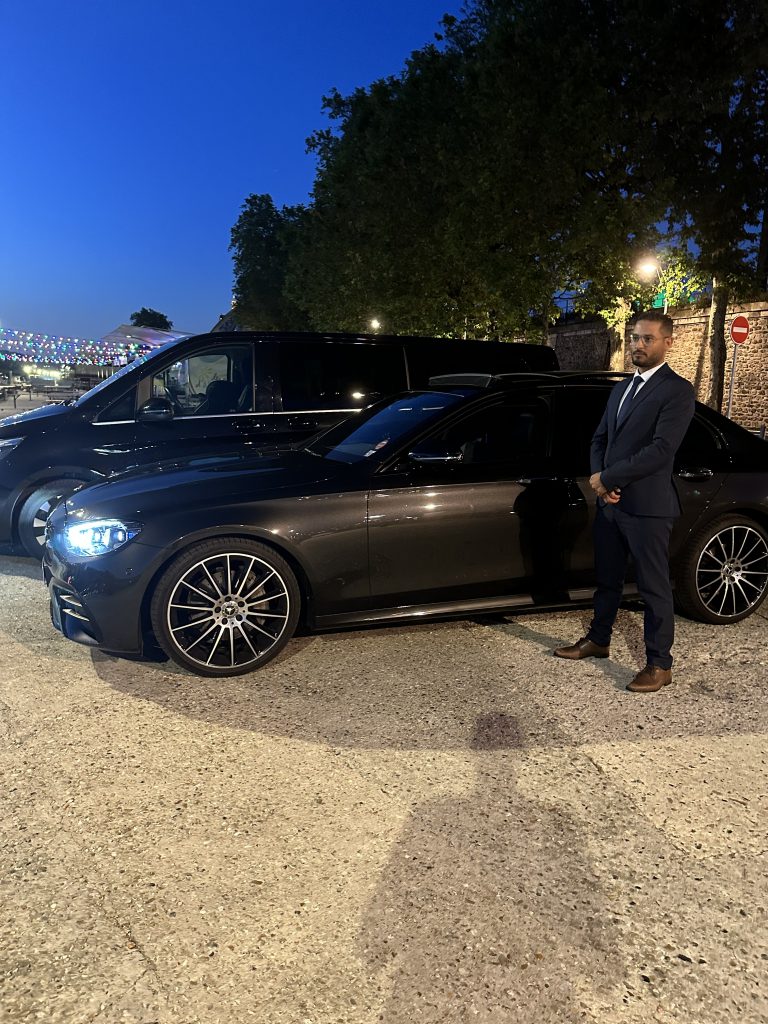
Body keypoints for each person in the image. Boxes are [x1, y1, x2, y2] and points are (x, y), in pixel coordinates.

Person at [554, 310, 695, 692]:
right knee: (607, 580)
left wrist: (609, 479)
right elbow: (600, 439)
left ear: (668, 342)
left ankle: (660, 665)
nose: (638, 344)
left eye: (648, 338)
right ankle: (599, 640)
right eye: (635, 337)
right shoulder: (621, 389)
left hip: (648, 508)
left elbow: (661, 450)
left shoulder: (677, 391)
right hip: (611, 504)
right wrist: (601, 481)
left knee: (654, 588)